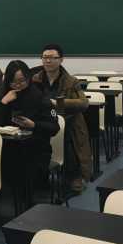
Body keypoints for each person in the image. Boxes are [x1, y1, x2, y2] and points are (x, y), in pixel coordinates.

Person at [31, 44, 91, 192]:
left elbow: (83, 103)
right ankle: (39, 177)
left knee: (68, 140)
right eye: (45, 57)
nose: (48, 61)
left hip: (67, 121)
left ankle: (74, 176)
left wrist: (57, 103)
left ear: (61, 60)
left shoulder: (71, 81)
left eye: (52, 58)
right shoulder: (35, 79)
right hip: (43, 121)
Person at [0, 60, 59, 175]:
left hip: (35, 148)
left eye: (21, 81)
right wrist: (3, 103)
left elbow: (54, 127)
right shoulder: (3, 94)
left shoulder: (39, 95)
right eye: (13, 82)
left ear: (28, 78)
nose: (18, 85)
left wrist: (34, 125)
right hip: (7, 147)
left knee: (22, 168)